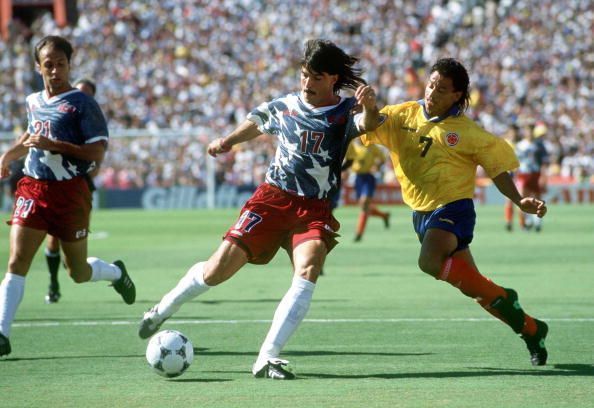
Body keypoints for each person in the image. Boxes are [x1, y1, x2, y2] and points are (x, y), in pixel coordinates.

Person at [138, 39, 380, 379]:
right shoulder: (286, 106)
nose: (306, 83)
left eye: (315, 77)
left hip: (313, 209)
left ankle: (266, 357)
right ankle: (164, 307)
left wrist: (369, 106)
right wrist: (226, 141)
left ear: (333, 79)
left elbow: (369, 125)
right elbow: (256, 122)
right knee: (215, 272)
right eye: (303, 75)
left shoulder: (344, 113)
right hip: (272, 200)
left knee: (308, 269)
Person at [362, 58, 549, 366]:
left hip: (454, 208)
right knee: (478, 291)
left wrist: (518, 200)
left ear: (457, 96)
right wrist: (369, 107)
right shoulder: (403, 114)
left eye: (443, 89)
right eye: (431, 84)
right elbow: (369, 127)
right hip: (421, 213)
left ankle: (505, 295)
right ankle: (531, 328)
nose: (433, 92)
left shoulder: (468, 132)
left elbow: (497, 169)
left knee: (429, 261)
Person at [0, 36, 136, 358]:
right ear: (38, 67)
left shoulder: (82, 103)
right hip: (33, 187)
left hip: (71, 193)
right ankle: (2, 334)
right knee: (17, 261)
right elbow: (32, 135)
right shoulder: (33, 100)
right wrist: (9, 155)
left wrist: (56, 146)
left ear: (69, 65)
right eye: (49, 64)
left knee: (77, 273)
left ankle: (115, 273)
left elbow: (97, 153)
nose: (55, 70)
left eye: (61, 63)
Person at [44, 77, 99, 304]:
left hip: (78, 188)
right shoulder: (56, 115)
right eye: (78, 91)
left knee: (74, 261)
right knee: (53, 239)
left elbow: (97, 158)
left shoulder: (93, 121)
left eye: (86, 93)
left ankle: (108, 272)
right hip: (52, 184)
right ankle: (53, 282)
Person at [344, 138, 390, 242]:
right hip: (357, 178)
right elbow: (348, 159)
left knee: (364, 204)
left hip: (368, 177)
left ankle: (359, 233)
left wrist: (377, 166)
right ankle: (384, 215)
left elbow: (382, 158)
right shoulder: (353, 146)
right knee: (364, 206)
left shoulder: (372, 147)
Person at [512, 121, 549, 232]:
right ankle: (526, 221)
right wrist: (515, 175)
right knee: (523, 198)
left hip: (535, 174)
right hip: (523, 174)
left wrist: (544, 176)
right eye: (528, 130)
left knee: (537, 198)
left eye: (532, 130)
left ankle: (537, 221)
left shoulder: (539, 145)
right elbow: (516, 162)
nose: (530, 132)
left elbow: (544, 162)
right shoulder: (519, 145)